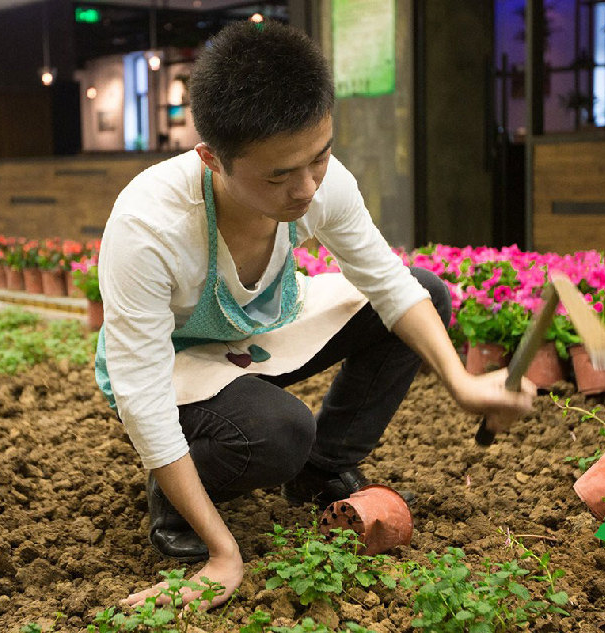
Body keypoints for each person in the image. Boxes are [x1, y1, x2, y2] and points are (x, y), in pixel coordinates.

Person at [95, 20, 535, 610]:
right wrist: (224, 553)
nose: (306, 189)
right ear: (211, 159)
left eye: (319, 158)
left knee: (423, 293)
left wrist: (461, 384)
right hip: (174, 361)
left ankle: (320, 469)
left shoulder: (319, 182)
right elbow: (142, 400)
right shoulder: (147, 226)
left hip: (254, 325)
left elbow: (387, 281)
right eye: (279, 175)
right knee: (277, 433)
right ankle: (176, 499)